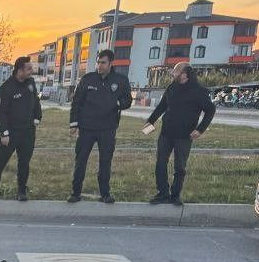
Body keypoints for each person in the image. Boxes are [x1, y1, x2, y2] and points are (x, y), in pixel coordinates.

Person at [143, 62, 215, 206]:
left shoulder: (198, 91)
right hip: (166, 133)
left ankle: (175, 195)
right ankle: (162, 193)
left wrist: (200, 129)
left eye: (175, 71)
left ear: (184, 74)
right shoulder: (172, 87)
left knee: (180, 167)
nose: (172, 73)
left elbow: (210, 110)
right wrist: (150, 121)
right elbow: (162, 106)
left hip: (184, 136)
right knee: (160, 163)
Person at [69, 49, 132, 204]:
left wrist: (118, 103)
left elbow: (128, 100)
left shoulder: (121, 80)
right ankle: (75, 192)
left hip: (107, 128)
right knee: (81, 160)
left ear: (111, 63)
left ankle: (105, 194)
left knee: (105, 161)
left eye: (103, 62)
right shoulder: (87, 79)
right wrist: (74, 124)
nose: (99, 65)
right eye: (98, 62)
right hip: (87, 128)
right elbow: (77, 102)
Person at [0, 56, 42, 202]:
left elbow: (36, 102)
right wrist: (4, 133)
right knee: (0, 162)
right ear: (19, 70)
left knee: (24, 163)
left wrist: (37, 118)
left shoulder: (31, 83)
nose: (31, 71)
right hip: (11, 134)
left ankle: (21, 191)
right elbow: (0, 113)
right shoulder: (5, 89)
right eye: (29, 69)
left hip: (28, 132)